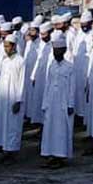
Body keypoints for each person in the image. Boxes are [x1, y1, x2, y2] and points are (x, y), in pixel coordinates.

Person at [40, 32, 75, 167]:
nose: (56, 53)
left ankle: (60, 156)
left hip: (63, 103)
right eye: (54, 50)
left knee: (61, 129)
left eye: (58, 50)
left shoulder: (69, 67)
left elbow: (72, 87)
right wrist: (45, 103)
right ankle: (50, 154)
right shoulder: (52, 66)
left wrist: (71, 104)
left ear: (64, 51)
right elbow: (47, 85)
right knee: (50, 129)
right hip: (51, 102)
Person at [0, 35, 25, 164]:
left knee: (12, 126)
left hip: (13, 99)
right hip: (2, 98)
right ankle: (4, 151)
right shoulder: (4, 61)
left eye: (8, 46)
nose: (6, 49)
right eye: (4, 46)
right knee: (2, 125)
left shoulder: (20, 61)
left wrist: (18, 100)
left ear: (14, 46)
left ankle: (12, 153)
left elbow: (21, 82)